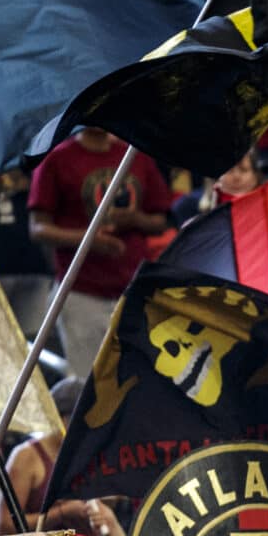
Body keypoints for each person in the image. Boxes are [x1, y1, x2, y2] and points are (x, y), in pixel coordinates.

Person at [26, 127, 172, 369]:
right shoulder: (57, 158)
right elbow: (37, 229)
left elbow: (161, 221)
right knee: (88, 382)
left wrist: (134, 219)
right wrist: (87, 239)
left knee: (135, 376)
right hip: (81, 292)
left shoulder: (135, 154)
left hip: (134, 289)